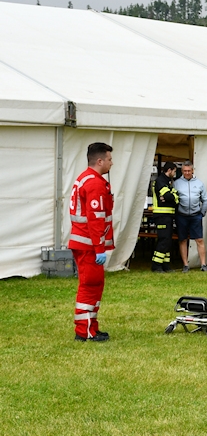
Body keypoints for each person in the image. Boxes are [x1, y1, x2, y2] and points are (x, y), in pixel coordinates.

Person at [69, 142, 114, 342]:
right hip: (88, 244)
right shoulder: (94, 183)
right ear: (100, 161)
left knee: (95, 286)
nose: (111, 163)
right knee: (89, 287)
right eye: (109, 159)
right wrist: (99, 248)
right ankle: (84, 331)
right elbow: (95, 219)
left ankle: (91, 327)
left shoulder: (86, 178)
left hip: (85, 243)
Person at [174, 162, 207, 272]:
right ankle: (185, 265)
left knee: (199, 239)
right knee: (183, 240)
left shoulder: (199, 183)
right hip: (182, 216)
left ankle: (203, 264)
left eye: (189, 171)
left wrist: (202, 212)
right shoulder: (177, 183)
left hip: (195, 215)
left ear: (192, 170)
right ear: (182, 171)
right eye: (185, 171)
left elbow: (205, 199)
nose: (187, 173)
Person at [150, 162, 179, 272]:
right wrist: (172, 197)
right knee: (164, 239)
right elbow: (168, 196)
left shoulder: (167, 182)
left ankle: (165, 265)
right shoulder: (161, 181)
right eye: (175, 171)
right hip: (162, 215)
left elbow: (173, 197)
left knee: (168, 240)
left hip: (168, 214)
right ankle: (156, 265)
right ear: (170, 170)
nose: (175, 174)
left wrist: (173, 197)